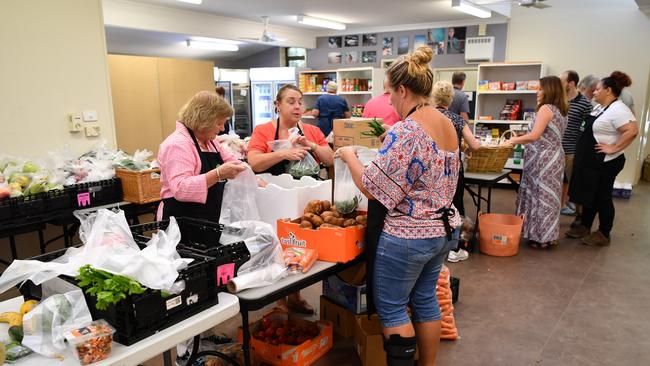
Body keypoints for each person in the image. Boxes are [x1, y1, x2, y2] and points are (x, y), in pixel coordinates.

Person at [337, 46, 460, 366]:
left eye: (391, 92)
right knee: (424, 299)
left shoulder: (408, 129)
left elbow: (373, 189)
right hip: (441, 230)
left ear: (403, 90)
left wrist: (349, 155)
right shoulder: (444, 122)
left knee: (392, 307)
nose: (389, 99)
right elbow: (427, 160)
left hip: (408, 236)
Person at [247, 84, 334, 314]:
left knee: (301, 250)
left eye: (300, 102)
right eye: (291, 101)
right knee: (277, 249)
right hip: (275, 201)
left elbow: (331, 159)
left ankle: (294, 296)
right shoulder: (264, 131)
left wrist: (312, 146)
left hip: (306, 202)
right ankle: (280, 301)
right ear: (278, 105)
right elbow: (254, 162)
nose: (297, 106)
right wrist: (284, 152)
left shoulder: (311, 131)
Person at [565, 71, 638, 246]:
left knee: (602, 197)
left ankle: (604, 233)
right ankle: (585, 226)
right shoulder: (600, 107)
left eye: (598, 89)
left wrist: (613, 148)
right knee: (590, 193)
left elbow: (632, 131)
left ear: (608, 90)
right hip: (591, 161)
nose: (594, 92)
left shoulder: (619, 109)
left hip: (606, 162)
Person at [157, 91, 246, 222]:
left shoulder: (211, 142)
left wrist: (260, 182)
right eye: (219, 123)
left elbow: (235, 163)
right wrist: (217, 174)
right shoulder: (177, 144)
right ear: (204, 120)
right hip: (182, 222)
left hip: (208, 218)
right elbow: (181, 188)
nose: (222, 129)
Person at [507, 76, 568, 249]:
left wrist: (513, 141)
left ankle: (538, 236)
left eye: (540, 88)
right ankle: (548, 236)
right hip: (554, 157)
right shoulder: (561, 110)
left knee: (539, 196)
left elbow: (534, 135)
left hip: (542, 159)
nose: (537, 91)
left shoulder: (546, 109)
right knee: (550, 197)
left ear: (549, 90)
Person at [432, 81, 480, 263]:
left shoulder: (426, 117)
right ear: (450, 99)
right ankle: (454, 249)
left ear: (433, 98)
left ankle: (434, 245)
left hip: (431, 170)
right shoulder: (457, 119)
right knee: (455, 206)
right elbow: (475, 144)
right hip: (452, 171)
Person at [559, 71, 592, 219]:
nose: (560, 83)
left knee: (575, 185)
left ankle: (580, 217)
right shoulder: (559, 100)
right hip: (554, 150)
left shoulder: (584, 103)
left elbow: (589, 127)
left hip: (571, 152)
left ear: (571, 83)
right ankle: (557, 208)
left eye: (562, 80)